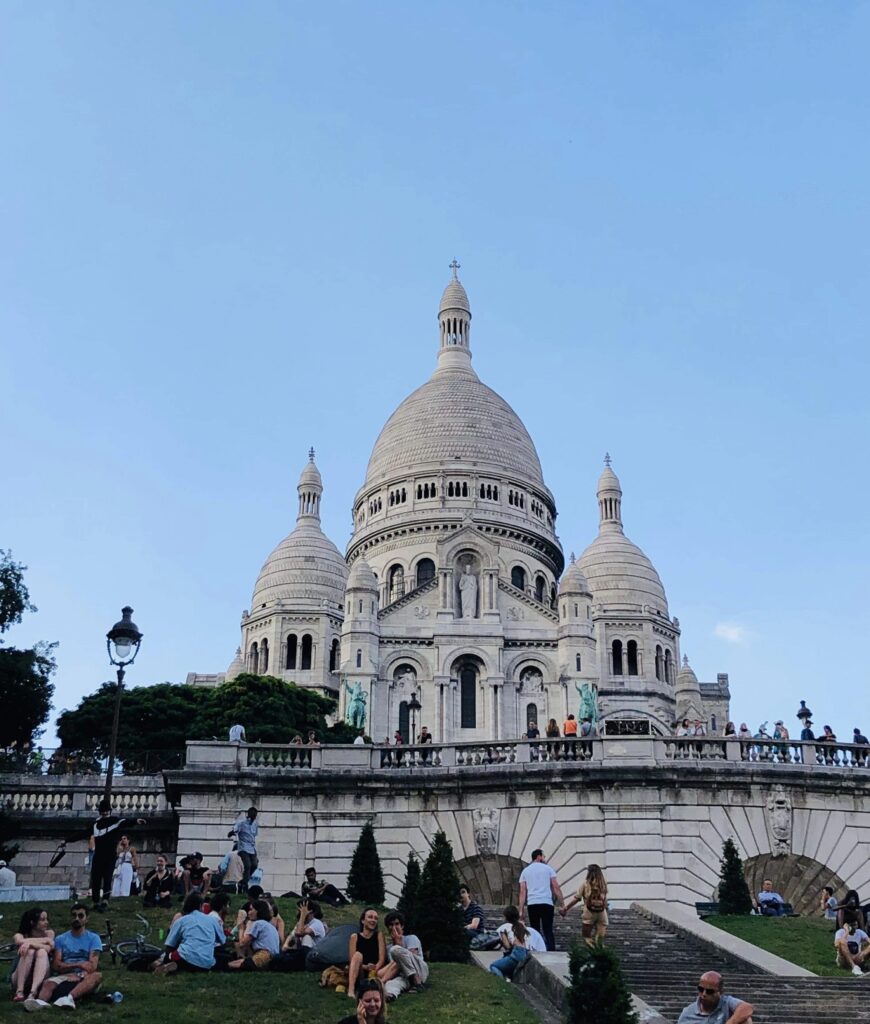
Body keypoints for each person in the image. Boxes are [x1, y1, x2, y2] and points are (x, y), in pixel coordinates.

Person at [24, 903, 103, 1011]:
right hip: (66, 976)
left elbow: (92, 967)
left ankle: (69, 998)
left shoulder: (94, 938)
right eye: (74, 915)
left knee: (97, 976)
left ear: (86, 919)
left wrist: (75, 971)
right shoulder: (61, 939)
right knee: (48, 983)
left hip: (85, 976)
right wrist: (78, 964)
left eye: (80, 916)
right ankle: (40, 1003)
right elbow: (56, 965)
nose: (76, 918)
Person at [89, 799, 147, 909]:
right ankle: (95, 901)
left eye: (107, 811)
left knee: (107, 879)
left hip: (110, 857)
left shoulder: (114, 821)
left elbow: (125, 822)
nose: (105, 813)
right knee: (96, 879)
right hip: (99, 856)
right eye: (103, 811)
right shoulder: (96, 824)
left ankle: (105, 900)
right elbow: (84, 833)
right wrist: (68, 840)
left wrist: (136, 821)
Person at [152, 892, 226, 975]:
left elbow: (170, 944)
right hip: (206, 963)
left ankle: (166, 965)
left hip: (185, 957)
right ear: (201, 906)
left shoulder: (181, 921)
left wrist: (167, 957)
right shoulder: (212, 920)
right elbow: (223, 940)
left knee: (174, 955)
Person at [518, 848, 564, 951]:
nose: (544, 858)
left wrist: (521, 910)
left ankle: (537, 950)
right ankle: (551, 951)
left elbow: (522, 891)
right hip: (546, 903)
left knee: (535, 929)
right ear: (538, 857)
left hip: (533, 903)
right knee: (548, 930)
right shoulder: (548, 869)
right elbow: (555, 886)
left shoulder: (525, 871)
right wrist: (562, 903)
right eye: (543, 856)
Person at [378, 911, 428, 1000]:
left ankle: (417, 982)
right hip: (404, 975)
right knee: (391, 983)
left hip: (419, 970)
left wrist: (399, 945)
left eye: (396, 924)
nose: (394, 927)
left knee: (396, 950)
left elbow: (410, 958)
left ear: (402, 926)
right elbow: (391, 968)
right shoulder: (388, 948)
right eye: (391, 925)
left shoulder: (412, 938)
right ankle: (390, 995)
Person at [11, 907, 55, 1003]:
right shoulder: (20, 935)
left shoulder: (49, 933)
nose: (46, 922)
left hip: (41, 977)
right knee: (29, 952)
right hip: (19, 978)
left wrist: (30, 944)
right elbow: (19, 941)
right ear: (32, 922)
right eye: (42, 920)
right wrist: (44, 941)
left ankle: (33, 992)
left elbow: (49, 948)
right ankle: (20, 991)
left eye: (47, 919)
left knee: (42, 952)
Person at [560, 863, 608, 945]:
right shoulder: (603, 884)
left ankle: (591, 951)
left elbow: (577, 899)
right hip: (601, 913)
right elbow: (605, 899)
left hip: (589, 912)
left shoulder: (585, 884)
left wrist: (566, 908)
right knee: (599, 939)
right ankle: (599, 951)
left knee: (586, 936)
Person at [677, 972, 754, 1023]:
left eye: (709, 991)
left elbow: (747, 1007)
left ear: (720, 992)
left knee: (746, 1020)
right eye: (701, 989)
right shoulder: (688, 1014)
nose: (704, 994)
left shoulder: (726, 1002)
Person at [229, 898, 280, 970]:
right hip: (273, 957)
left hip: (264, 955)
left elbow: (242, 943)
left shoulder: (258, 923)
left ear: (258, 911)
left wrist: (241, 928)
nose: (248, 912)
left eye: (251, 910)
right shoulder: (269, 925)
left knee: (232, 965)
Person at [347, 908, 386, 999]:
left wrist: (374, 969)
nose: (373, 920)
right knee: (357, 955)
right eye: (370, 917)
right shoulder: (354, 937)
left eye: (376, 918)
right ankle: (351, 990)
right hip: (360, 971)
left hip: (375, 971)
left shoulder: (379, 935)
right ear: (363, 920)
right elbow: (352, 960)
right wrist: (366, 967)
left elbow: (382, 959)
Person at [489, 907, 534, 980]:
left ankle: (502, 983)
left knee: (494, 966)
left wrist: (503, 937)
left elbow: (508, 946)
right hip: (525, 953)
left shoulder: (506, 927)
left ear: (506, 917)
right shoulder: (522, 926)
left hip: (516, 953)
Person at [229, 806, 259, 891]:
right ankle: (245, 885)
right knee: (248, 865)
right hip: (243, 848)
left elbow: (254, 835)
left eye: (255, 816)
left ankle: (243, 881)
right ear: (249, 815)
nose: (253, 818)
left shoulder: (255, 824)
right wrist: (231, 833)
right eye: (252, 815)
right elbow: (235, 829)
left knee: (254, 865)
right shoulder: (242, 823)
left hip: (252, 848)